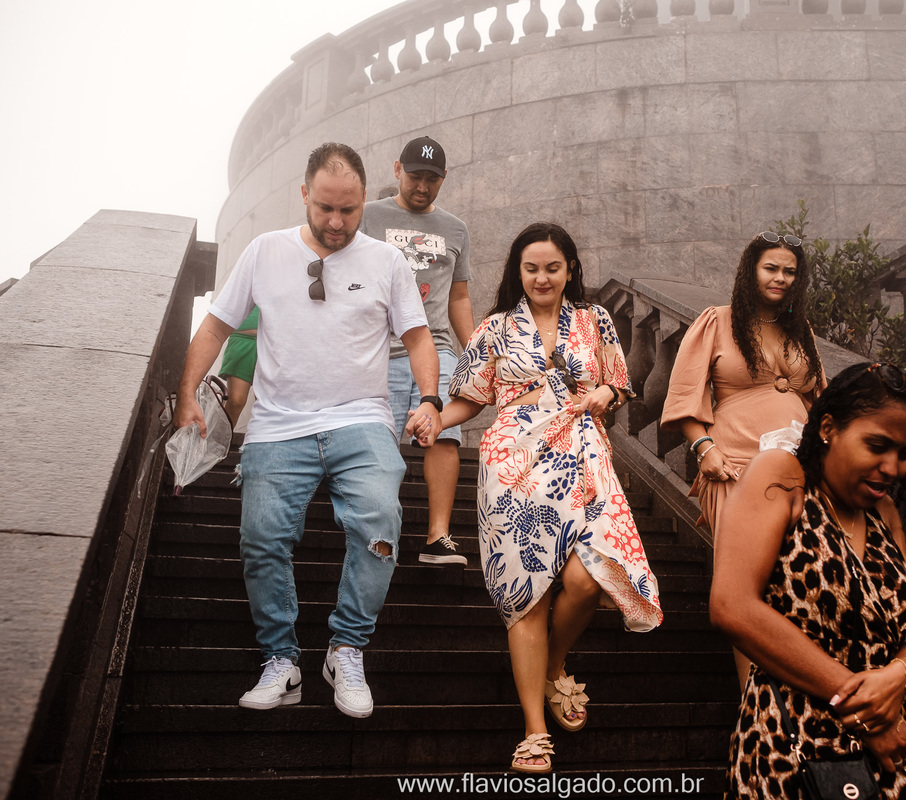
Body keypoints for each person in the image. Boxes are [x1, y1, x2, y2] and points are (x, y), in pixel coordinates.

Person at [173, 142, 442, 719]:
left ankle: (346, 650)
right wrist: (187, 393)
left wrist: (428, 400)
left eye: (349, 209)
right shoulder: (265, 251)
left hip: (361, 418)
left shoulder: (387, 262)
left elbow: (418, 336)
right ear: (304, 195)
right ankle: (282, 661)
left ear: (364, 200)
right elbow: (217, 325)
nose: (337, 222)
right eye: (325, 208)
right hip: (278, 425)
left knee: (380, 522)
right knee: (261, 537)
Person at [407, 222, 663, 773]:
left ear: (570, 269)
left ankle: (553, 664)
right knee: (528, 594)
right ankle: (534, 730)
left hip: (581, 456)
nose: (541, 277)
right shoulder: (494, 329)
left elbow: (621, 383)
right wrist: (435, 419)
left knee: (586, 578)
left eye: (552, 267)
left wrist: (605, 391)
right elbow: (470, 399)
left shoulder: (595, 320)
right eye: (531, 268)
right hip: (514, 465)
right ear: (517, 272)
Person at [711, 362, 906, 800]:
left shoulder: (885, 513)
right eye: (878, 446)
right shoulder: (781, 478)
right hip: (795, 740)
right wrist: (866, 712)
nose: (893, 467)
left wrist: (901, 674)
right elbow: (732, 606)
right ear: (828, 428)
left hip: (892, 740)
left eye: (905, 453)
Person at [661, 232, 825, 685]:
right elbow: (684, 396)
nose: (780, 278)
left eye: (790, 271)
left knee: (800, 581)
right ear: (751, 271)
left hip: (798, 472)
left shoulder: (801, 331)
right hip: (734, 466)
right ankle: (756, 706)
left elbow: (820, 403)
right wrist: (705, 450)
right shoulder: (717, 322)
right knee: (749, 589)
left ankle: (802, 696)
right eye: (771, 268)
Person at [360, 135, 474, 566]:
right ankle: (377, 531)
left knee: (443, 429)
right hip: (381, 348)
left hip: (438, 345)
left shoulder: (455, 229)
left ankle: (437, 536)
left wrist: (476, 352)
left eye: (432, 179)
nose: (422, 186)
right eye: (414, 177)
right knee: (378, 440)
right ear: (397, 170)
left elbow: (458, 297)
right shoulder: (368, 217)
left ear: (443, 179)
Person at [218, 306, 258, 425]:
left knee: (267, 404)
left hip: (272, 342)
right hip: (241, 339)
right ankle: (219, 437)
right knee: (235, 401)